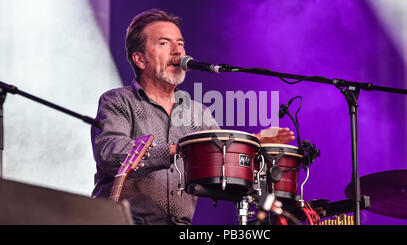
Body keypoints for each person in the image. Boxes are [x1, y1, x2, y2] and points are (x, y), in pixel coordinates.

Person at [91, 9, 295, 225]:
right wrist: (179, 150)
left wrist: (252, 143)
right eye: (164, 43)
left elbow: (221, 158)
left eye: (180, 43)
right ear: (140, 59)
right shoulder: (117, 101)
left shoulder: (199, 113)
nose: (177, 51)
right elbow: (112, 155)